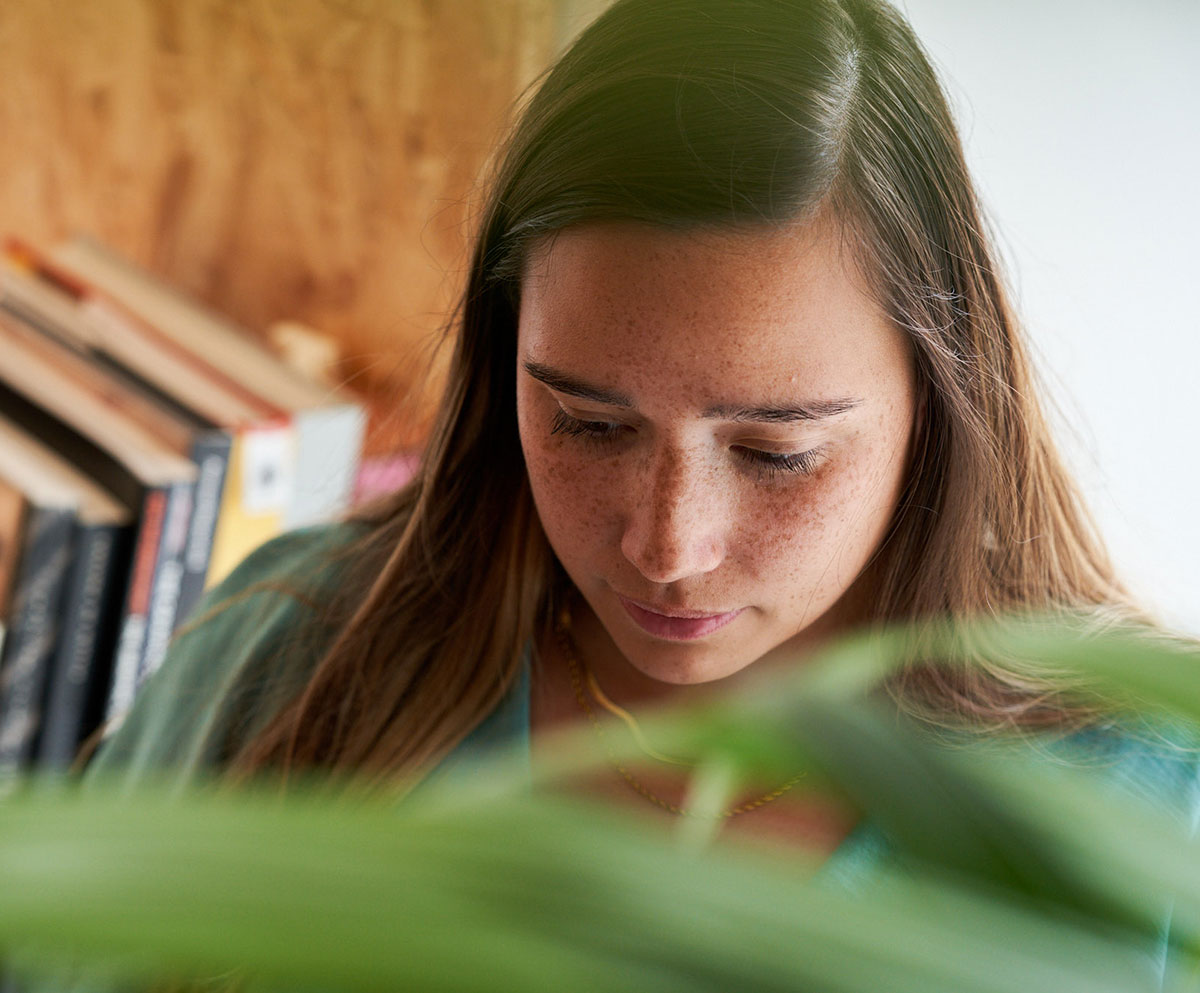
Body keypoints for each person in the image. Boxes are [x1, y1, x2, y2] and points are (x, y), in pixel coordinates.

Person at [87, 0, 1195, 859]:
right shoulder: (293, 652)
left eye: (777, 453)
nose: (667, 549)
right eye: (587, 423)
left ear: (942, 401)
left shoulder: (1154, 803)